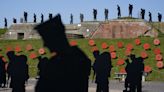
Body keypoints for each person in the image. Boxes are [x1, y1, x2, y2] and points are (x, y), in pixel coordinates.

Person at [34, 14, 91, 92]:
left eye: (47, 40)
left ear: (56, 39)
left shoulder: (61, 61)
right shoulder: (78, 56)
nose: (45, 45)